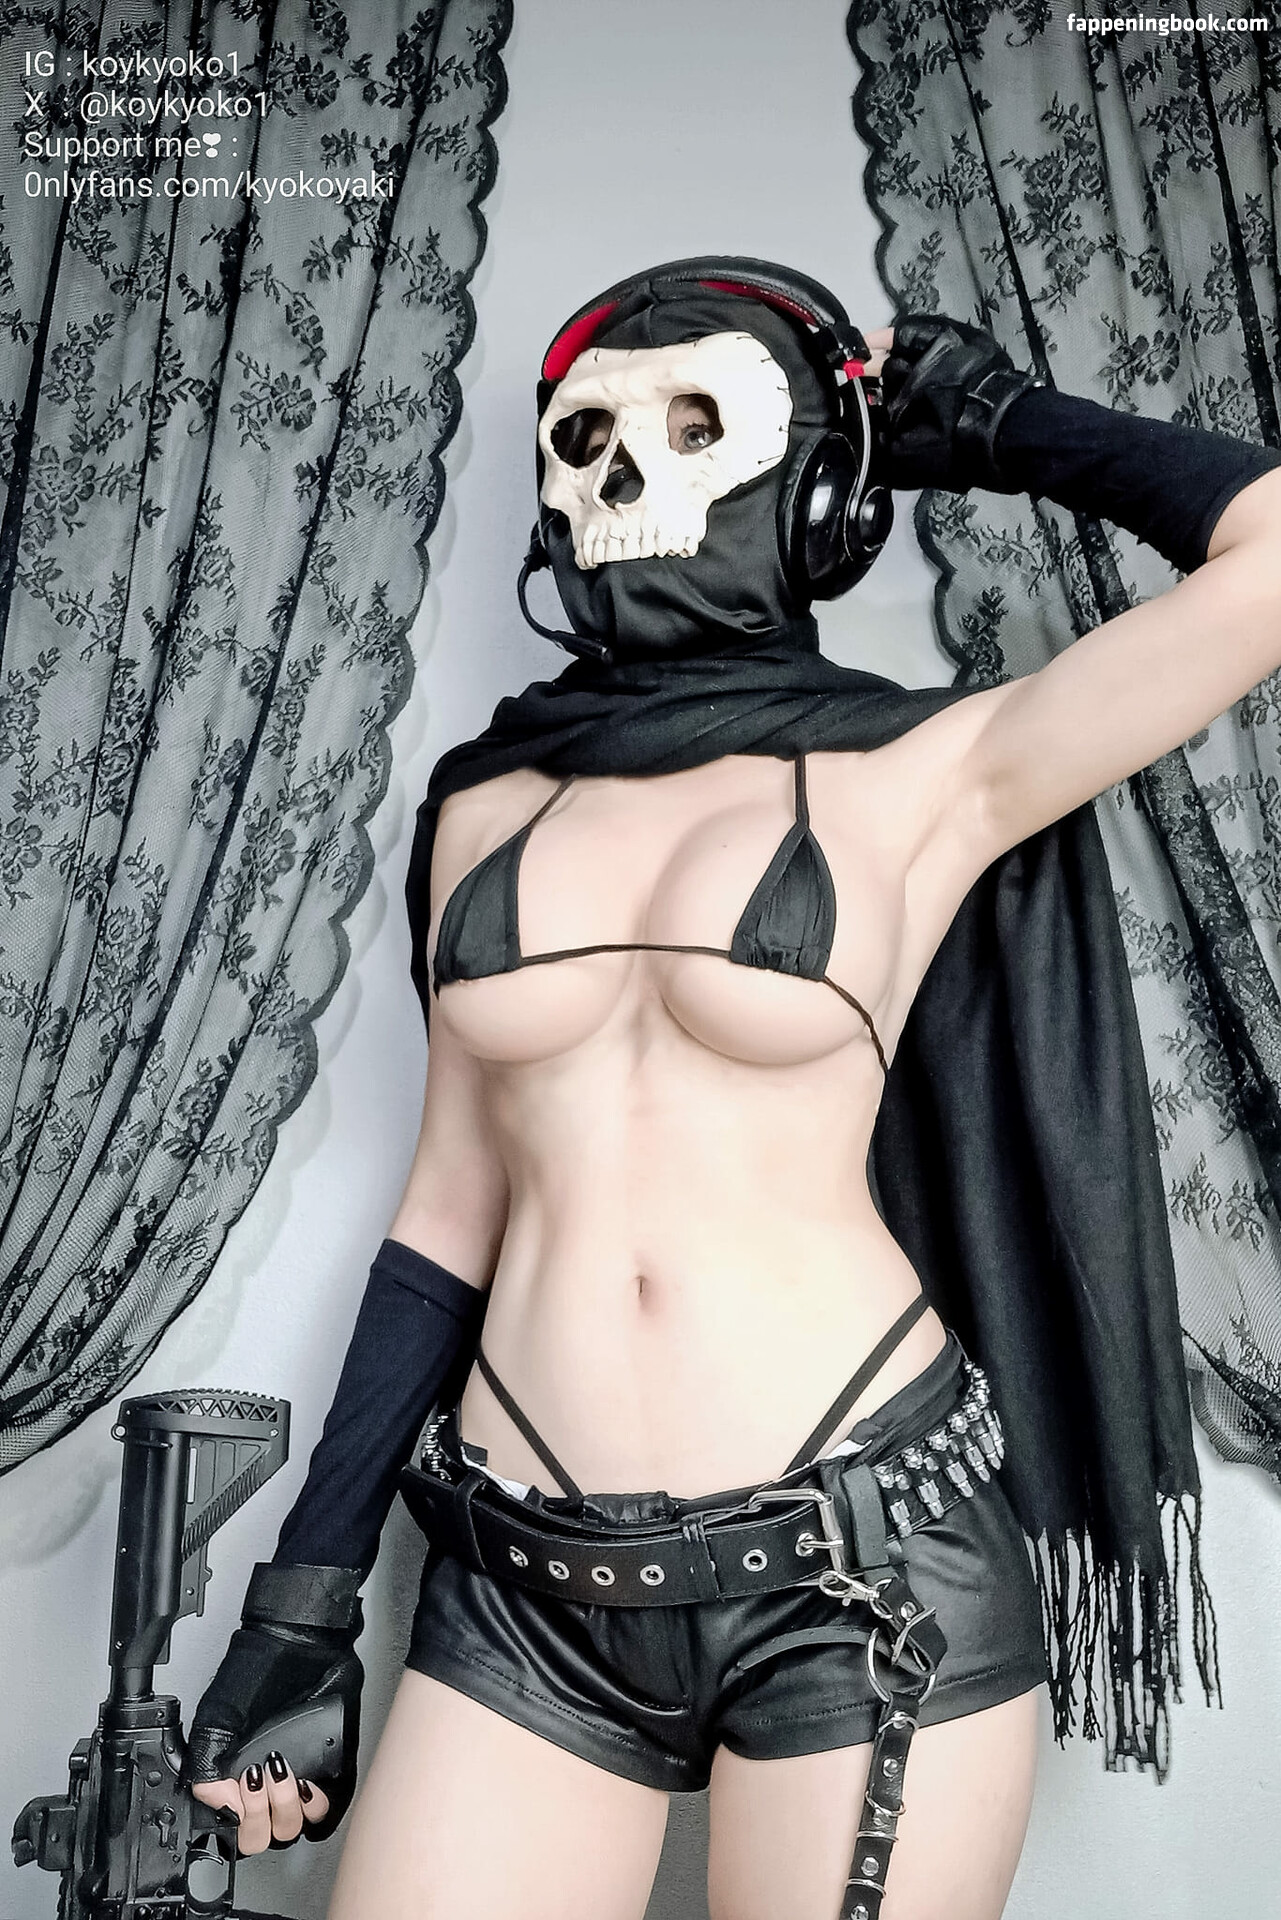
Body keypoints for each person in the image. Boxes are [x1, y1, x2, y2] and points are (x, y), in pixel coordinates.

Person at [188, 259, 1281, 1920]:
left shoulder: (923, 771)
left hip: (862, 1566)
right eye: (586, 434)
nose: (628, 468)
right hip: (524, 1581)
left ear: (820, 490)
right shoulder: (481, 803)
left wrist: (1003, 428)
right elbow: (448, 1213)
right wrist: (306, 1596)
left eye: (699, 422)